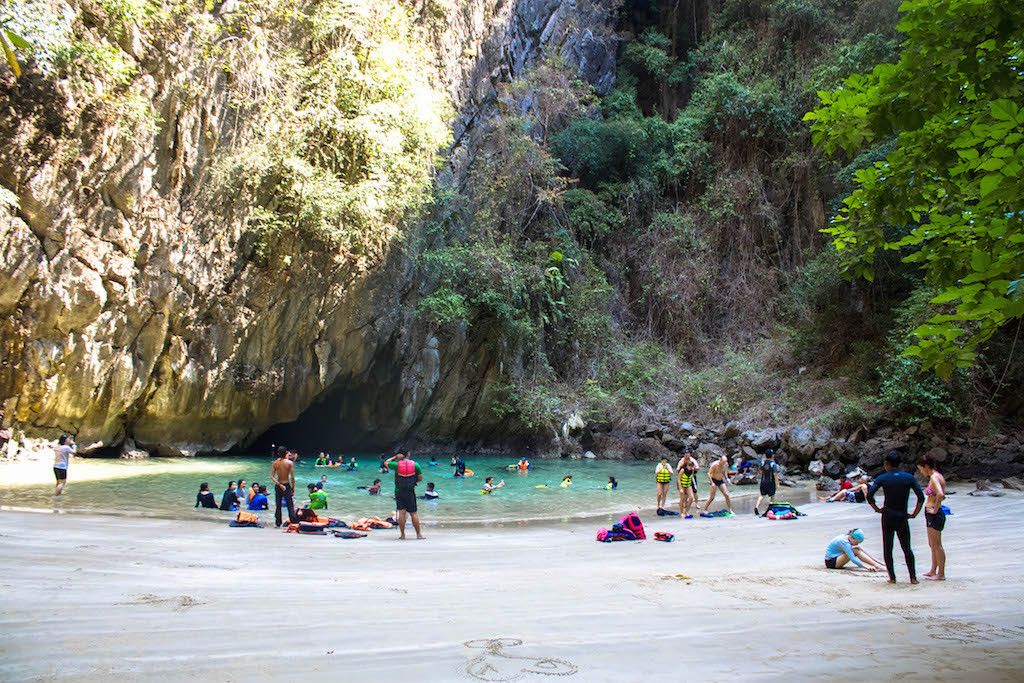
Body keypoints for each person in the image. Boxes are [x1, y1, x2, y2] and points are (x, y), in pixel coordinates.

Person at [867, 452, 925, 584]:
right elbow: (921, 497)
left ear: (887, 463)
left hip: (887, 516)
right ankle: (913, 577)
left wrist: (877, 509)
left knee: (888, 547)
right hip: (902, 516)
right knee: (907, 548)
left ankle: (892, 578)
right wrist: (914, 513)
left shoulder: (882, 478)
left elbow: (869, 496)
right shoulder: (909, 478)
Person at [917, 453, 947, 581]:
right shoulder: (937, 476)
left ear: (926, 466)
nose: (921, 471)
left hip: (934, 514)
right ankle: (933, 570)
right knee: (932, 544)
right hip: (932, 513)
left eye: (921, 469)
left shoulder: (934, 478)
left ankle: (941, 574)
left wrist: (935, 508)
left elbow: (940, 494)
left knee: (937, 544)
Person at [384, 450, 425, 540]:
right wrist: (413, 481)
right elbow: (420, 478)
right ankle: (418, 534)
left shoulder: (396, 465)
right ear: (408, 454)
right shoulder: (415, 465)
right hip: (410, 491)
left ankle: (402, 535)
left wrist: (395, 457)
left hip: (399, 491)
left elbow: (386, 463)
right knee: (413, 513)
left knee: (401, 513)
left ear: (400, 455)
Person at [271, 446, 297, 527]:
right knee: (290, 505)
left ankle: (278, 523)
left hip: (278, 485)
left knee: (278, 505)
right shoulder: (289, 463)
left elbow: (272, 476)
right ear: (286, 453)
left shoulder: (275, 463)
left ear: (278, 453)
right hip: (286, 484)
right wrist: (293, 488)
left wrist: (279, 484)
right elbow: (292, 477)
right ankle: (293, 522)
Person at [754, 451, 780, 516]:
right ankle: (770, 508)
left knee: (762, 495)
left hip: (763, 481)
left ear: (765, 456)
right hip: (770, 482)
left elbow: (760, 471)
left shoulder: (762, 463)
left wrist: (762, 476)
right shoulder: (773, 464)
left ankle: (757, 506)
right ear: (772, 456)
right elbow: (775, 474)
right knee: (772, 495)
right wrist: (777, 483)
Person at [676, 454, 698, 518]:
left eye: (691, 466)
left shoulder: (692, 470)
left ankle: (686, 511)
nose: (690, 468)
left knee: (691, 497)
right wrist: (680, 488)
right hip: (682, 484)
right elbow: (678, 479)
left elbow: (692, 477)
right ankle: (681, 512)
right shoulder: (683, 470)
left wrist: (694, 485)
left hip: (688, 484)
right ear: (687, 465)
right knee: (682, 498)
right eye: (689, 466)